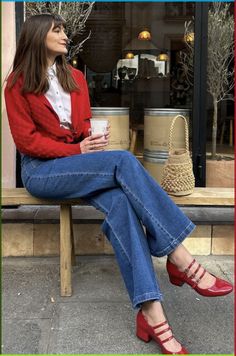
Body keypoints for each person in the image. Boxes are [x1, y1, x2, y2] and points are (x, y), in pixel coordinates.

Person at [4, 14, 233, 355]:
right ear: (37, 36)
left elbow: (82, 128)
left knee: (122, 204)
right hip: (43, 171)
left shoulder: (75, 78)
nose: (65, 35)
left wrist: (91, 141)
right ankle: (180, 257)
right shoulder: (18, 83)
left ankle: (151, 313)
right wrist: (77, 149)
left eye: (65, 29)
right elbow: (27, 142)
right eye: (58, 30)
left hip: (76, 164)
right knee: (124, 160)